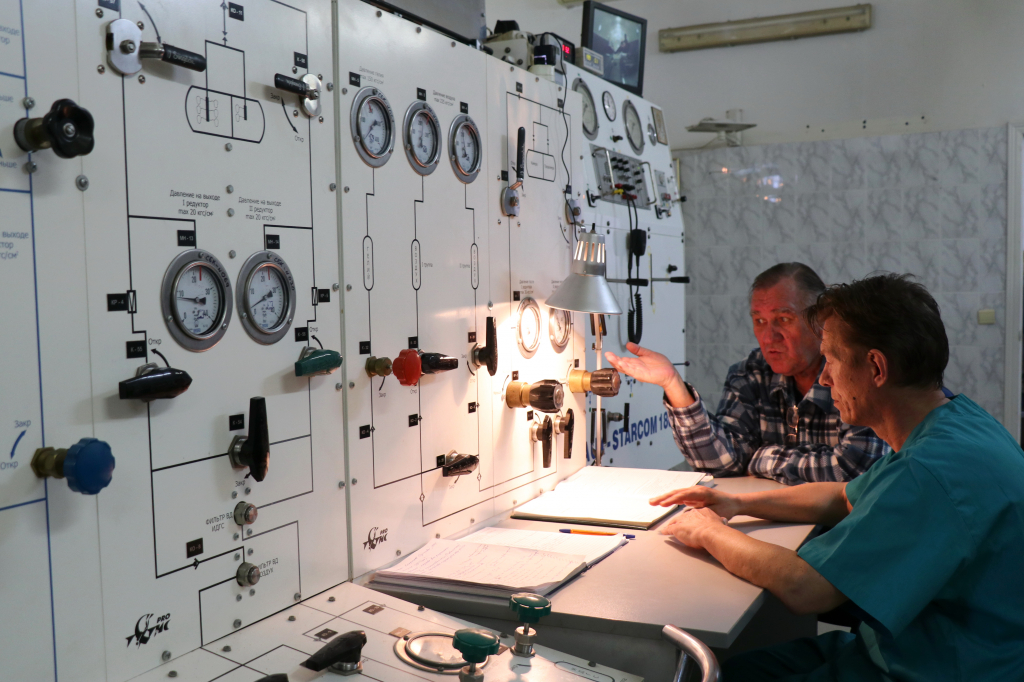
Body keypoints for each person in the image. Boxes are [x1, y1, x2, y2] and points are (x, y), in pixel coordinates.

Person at [652, 273, 1024, 681]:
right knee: (738, 668)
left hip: (936, 668)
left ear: (876, 367)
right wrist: (737, 502)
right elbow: (844, 495)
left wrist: (709, 532)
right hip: (912, 645)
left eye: (831, 359)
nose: (825, 378)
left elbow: (806, 587)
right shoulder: (956, 420)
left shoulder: (926, 470)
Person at [605, 263, 886, 484]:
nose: (769, 336)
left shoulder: (854, 372)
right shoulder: (752, 372)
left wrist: (762, 458)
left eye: (783, 319)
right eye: (759, 321)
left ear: (818, 319)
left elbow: (854, 469)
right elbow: (721, 464)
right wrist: (673, 384)